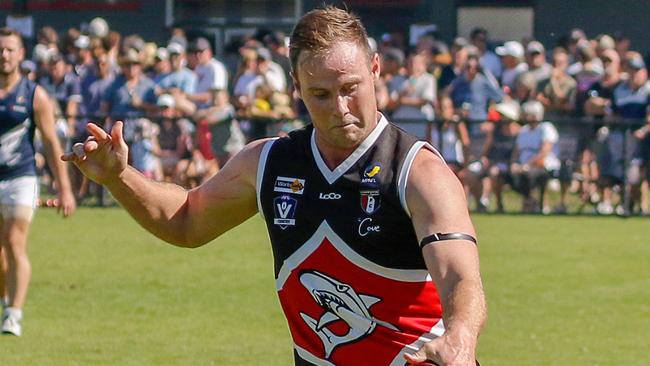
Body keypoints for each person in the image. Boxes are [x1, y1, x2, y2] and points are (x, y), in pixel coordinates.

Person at [64, 7, 485, 365]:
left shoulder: (419, 170)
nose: (340, 107)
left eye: (350, 88)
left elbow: (459, 277)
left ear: (375, 70)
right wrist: (120, 178)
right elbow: (187, 220)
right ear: (296, 88)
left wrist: (460, 340)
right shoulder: (269, 161)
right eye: (320, 93)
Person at [0, 28, 76, 336]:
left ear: (20, 55)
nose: (3, 55)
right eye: (0, 49)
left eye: (9, 50)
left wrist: (65, 189)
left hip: (22, 177)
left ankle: (14, 314)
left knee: (14, 242)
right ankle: (6, 300)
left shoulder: (34, 95)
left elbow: (51, 143)